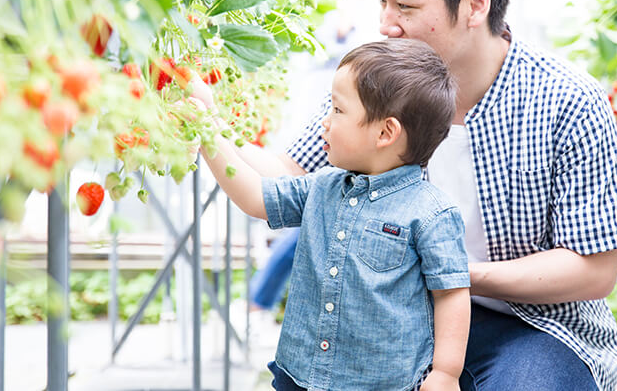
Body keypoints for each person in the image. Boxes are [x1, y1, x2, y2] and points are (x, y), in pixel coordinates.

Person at [229, 0, 617, 391]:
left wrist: (455, 274)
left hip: (531, 325)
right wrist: (207, 127)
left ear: (475, 4)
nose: (385, 24)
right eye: (381, 1)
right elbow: (287, 176)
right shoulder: (379, 78)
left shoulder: (567, 100)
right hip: (390, 317)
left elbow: (593, 268)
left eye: (404, 5)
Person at [191, 39, 472, 391]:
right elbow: (255, 198)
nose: (324, 122)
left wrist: (446, 373)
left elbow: (451, 293)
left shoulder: (432, 213)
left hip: (382, 383)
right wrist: (208, 130)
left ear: (386, 132)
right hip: (300, 373)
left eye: (337, 111)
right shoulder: (322, 186)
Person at [247, 0, 379, 320]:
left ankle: (259, 300)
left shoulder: (379, 2)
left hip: (362, 123)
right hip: (321, 114)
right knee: (309, 209)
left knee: (315, 216)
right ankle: (260, 300)